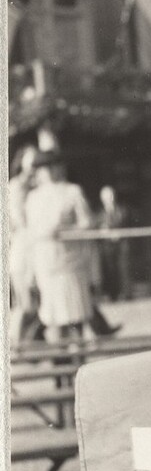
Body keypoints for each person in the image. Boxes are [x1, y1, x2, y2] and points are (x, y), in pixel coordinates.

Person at [24, 151, 121, 341]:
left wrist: (65, 229)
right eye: (43, 169)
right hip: (46, 261)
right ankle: (61, 364)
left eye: (53, 167)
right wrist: (31, 267)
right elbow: (31, 232)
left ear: (60, 168)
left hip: (70, 262)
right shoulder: (33, 197)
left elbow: (87, 223)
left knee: (75, 313)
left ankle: (77, 359)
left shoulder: (72, 191)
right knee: (54, 315)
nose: (49, 173)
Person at [8, 144, 41, 343]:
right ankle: (17, 344)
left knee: (38, 305)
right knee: (26, 305)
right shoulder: (16, 187)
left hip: (36, 251)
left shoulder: (35, 187)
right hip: (23, 251)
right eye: (31, 161)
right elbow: (21, 221)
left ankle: (30, 344)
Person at [96, 185, 132, 301]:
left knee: (124, 267)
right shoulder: (99, 214)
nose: (109, 198)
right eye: (106, 196)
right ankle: (113, 294)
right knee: (110, 269)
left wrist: (118, 232)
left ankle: (126, 293)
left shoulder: (122, 210)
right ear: (102, 198)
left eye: (111, 195)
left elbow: (126, 223)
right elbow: (97, 226)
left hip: (121, 243)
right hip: (107, 245)